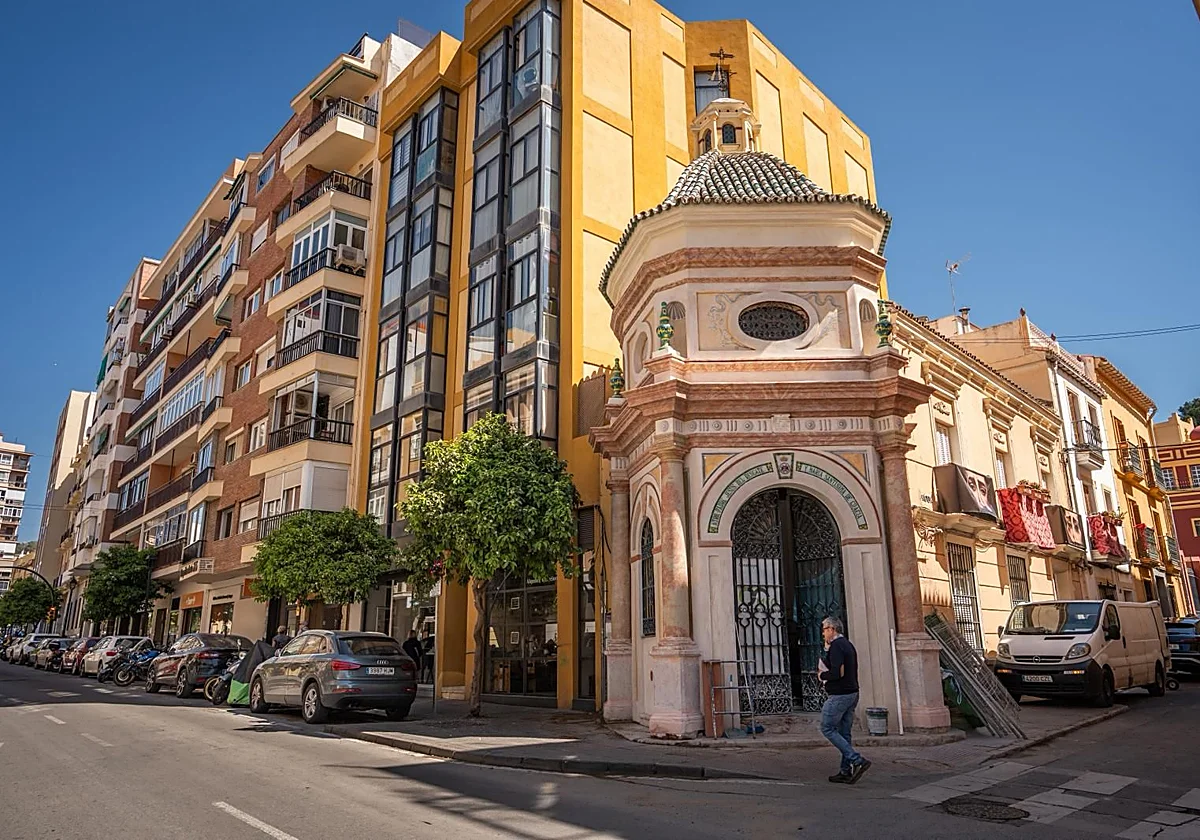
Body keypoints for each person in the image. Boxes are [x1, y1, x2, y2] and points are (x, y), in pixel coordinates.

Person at [817, 616, 870, 784]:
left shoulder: (837, 646)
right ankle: (845, 771)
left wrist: (821, 675)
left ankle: (856, 760)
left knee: (827, 727)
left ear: (832, 629)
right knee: (844, 733)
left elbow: (836, 672)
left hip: (840, 695)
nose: (823, 633)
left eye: (825, 630)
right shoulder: (847, 645)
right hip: (852, 693)